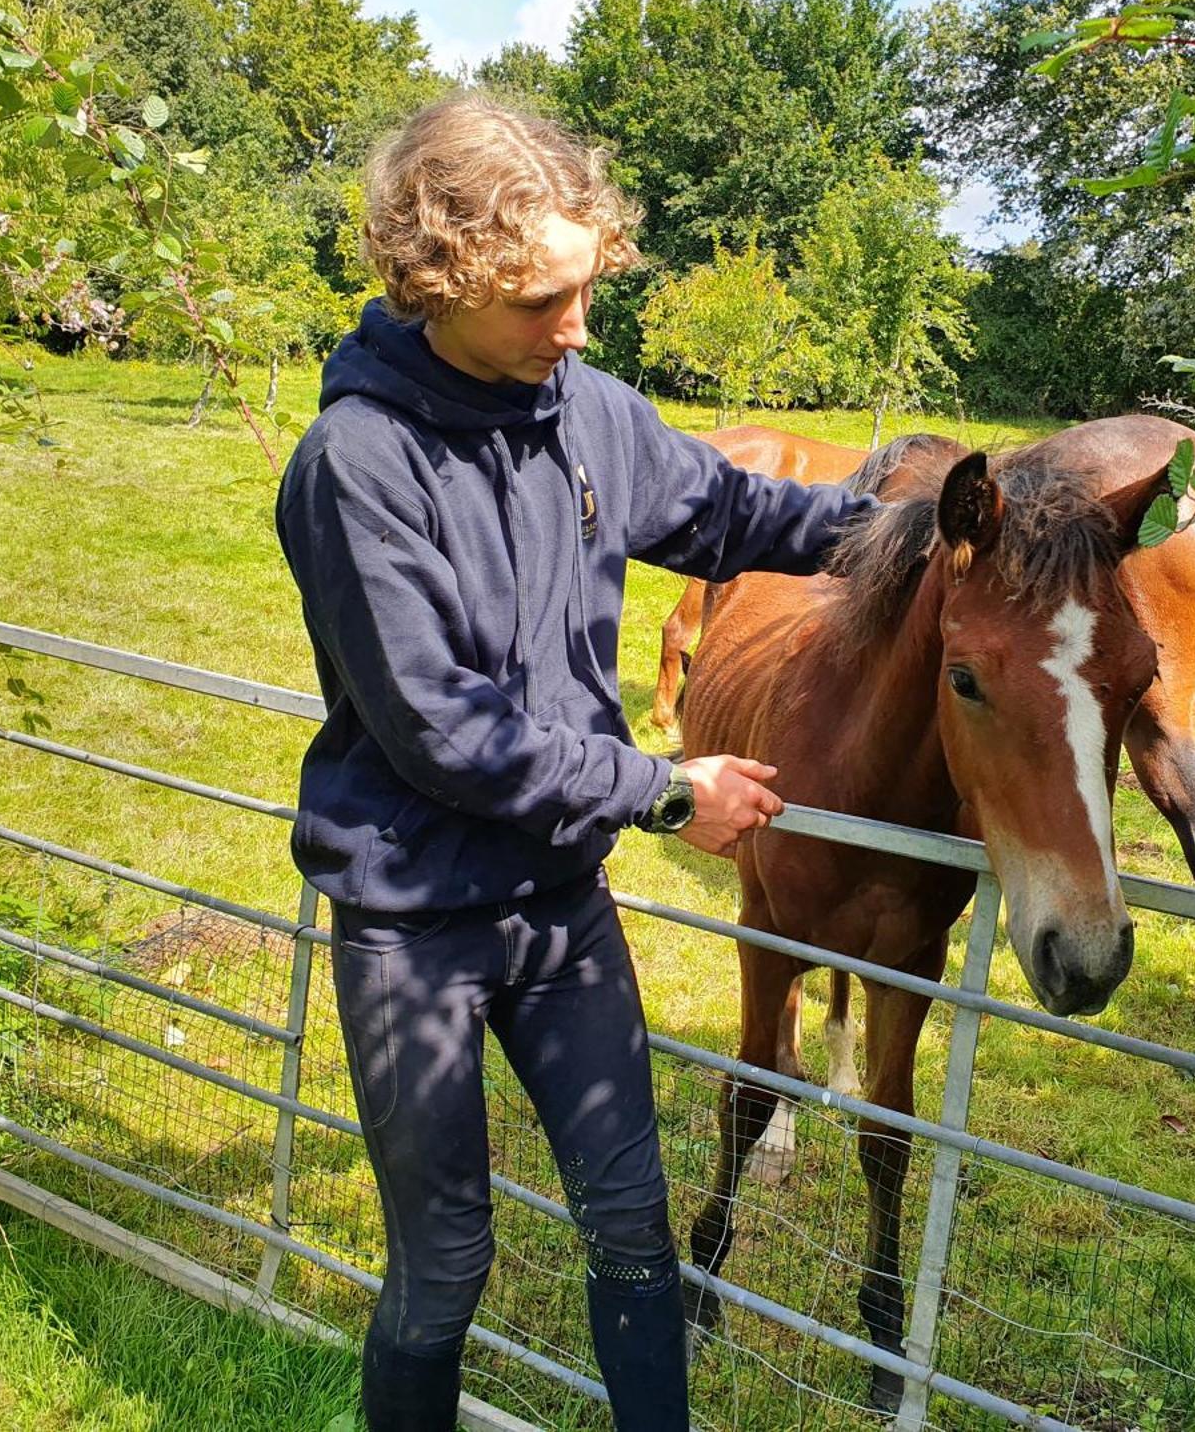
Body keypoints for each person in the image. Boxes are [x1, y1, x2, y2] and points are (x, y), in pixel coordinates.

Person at [274, 94, 876, 1432]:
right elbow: (440, 729)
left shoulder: (585, 408)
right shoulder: (357, 466)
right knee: (444, 1267)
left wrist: (905, 500)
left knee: (631, 1222)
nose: (580, 324)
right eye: (546, 298)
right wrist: (666, 789)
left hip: (558, 904)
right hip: (415, 920)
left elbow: (734, 513)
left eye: (589, 286)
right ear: (439, 278)